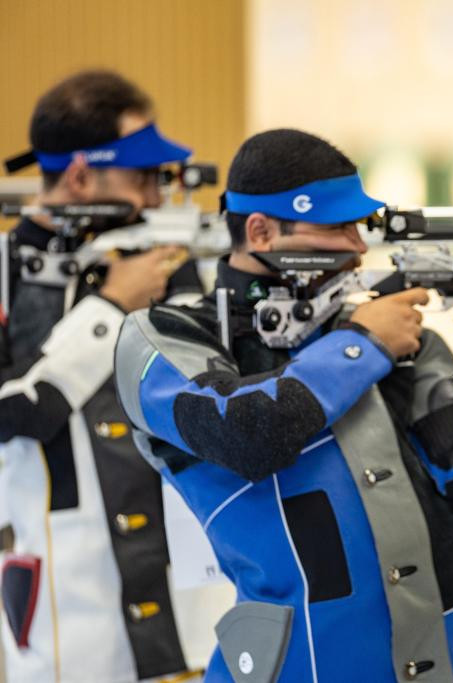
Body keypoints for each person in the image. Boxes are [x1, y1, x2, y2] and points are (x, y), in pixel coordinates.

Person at [114, 128, 453, 682]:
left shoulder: (394, 339)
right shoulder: (166, 336)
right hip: (306, 658)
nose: (359, 247)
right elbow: (245, 432)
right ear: (260, 231)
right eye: (337, 227)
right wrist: (363, 345)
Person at [0, 70, 205, 682]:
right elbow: (16, 411)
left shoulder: (164, 259)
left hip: (182, 570)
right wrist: (110, 307)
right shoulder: (8, 269)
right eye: (142, 177)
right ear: (81, 176)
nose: (154, 196)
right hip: (69, 583)